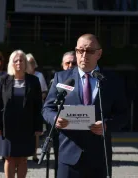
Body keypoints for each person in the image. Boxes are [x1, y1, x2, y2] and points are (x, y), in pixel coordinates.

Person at [42, 34, 128, 178]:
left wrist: (106, 125)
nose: (83, 55)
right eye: (80, 51)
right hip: (68, 155)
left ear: (99, 54)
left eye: (89, 51)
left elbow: (123, 115)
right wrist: (55, 119)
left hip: (99, 157)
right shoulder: (62, 78)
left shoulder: (112, 81)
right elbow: (47, 108)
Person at [0, 50, 43, 178]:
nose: (19, 62)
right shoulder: (4, 80)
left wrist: (38, 126)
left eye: (21, 60)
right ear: (12, 63)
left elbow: (38, 105)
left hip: (27, 125)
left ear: (26, 63)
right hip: (8, 125)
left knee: (23, 159)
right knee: (9, 158)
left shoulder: (33, 80)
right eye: (16, 60)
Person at [25, 53, 48, 163]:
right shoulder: (22, 75)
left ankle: (34, 153)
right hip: (25, 108)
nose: (30, 65)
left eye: (31, 62)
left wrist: (37, 98)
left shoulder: (39, 75)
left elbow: (44, 91)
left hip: (36, 107)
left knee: (36, 132)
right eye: (28, 63)